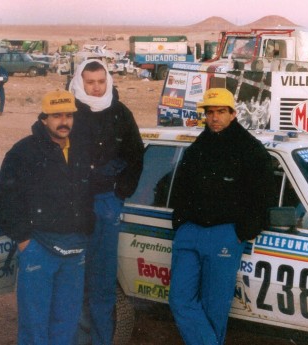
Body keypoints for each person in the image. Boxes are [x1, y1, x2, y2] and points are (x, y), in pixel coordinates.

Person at [168, 88, 275, 345]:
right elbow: (178, 186)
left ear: (233, 114)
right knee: (179, 299)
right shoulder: (198, 147)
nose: (214, 118)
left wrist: (242, 232)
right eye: (210, 112)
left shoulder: (250, 149)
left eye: (221, 112)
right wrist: (180, 222)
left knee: (214, 308)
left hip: (225, 235)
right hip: (190, 232)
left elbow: (265, 195)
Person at [0, 89, 94, 345]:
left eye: (68, 115)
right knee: (35, 324)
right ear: (44, 119)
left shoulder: (81, 150)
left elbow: (89, 192)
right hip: (39, 248)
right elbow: (4, 201)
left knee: (67, 322)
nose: (64, 121)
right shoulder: (23, 153)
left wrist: (85, 229)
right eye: (57, 116)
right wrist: (25, 240)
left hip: (74, 249)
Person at [69, 59, 144, 345]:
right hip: (74, 206)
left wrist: (120, 192)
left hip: (107, 204)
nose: (96, 88)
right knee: (74, 280)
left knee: (102, 283)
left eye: (101, 82)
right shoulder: (68, 111)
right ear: (80, 82)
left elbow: (136, 154)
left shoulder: (120, 112)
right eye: (90, 82)